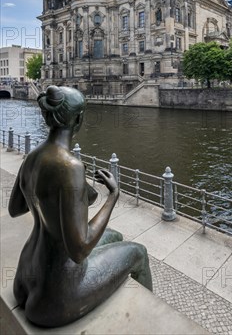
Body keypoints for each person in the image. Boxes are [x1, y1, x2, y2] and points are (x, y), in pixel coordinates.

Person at [9, 85, 152, 328]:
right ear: (79, 119)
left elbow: (16, 208)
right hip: (56, 296)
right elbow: (80, 249)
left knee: (116, 235)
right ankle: (146, 322)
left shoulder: (32, 156)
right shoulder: (70, 167)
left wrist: (77, 187)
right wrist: (113, 196)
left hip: (26, 278)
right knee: (139, 253)